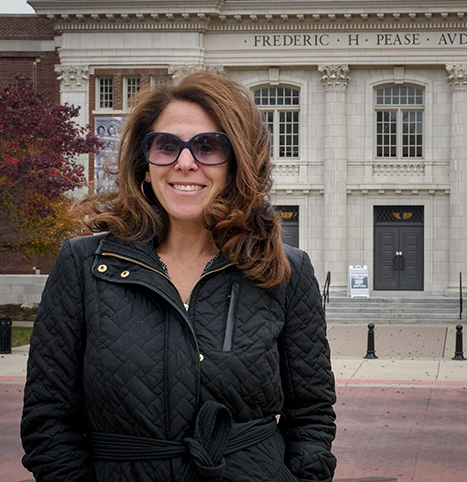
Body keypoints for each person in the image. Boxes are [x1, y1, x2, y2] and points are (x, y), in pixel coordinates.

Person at [21, 71, 337, 481]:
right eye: (167, 145)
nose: (185, 162)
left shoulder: (285, 271)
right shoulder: (83, 265)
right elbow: (48, 420)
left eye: (208, 147)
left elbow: (311, 414)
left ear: (236, 162)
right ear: (145, 163)